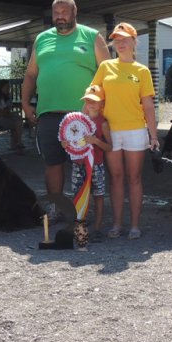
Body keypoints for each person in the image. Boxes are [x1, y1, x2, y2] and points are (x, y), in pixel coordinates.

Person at [21, 0, 110, 217]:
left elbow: (108, 74)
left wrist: (105, 109)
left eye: (64, 12)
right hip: (49, 113)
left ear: (74, 12)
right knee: (53, 163)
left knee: (84, 164)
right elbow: (31, 74)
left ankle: (84, 212)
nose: (60, 16)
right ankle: (57, 208)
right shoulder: (42, 39)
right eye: (56, 13)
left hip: (84, 115)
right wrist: (25, 103)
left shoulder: (91, 37)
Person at [90, 22, 158, 240]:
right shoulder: (105, 67)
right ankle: (117, 223)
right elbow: (92, 96)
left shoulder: (142, 71)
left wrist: (153, 135)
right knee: (116, 178)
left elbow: (148, 105)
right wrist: (80, 124)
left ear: (134, 41)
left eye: (124, 39)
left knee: (134, 178)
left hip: (136, 130)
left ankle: (135, 225)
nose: (120, 43)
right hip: (111, 131)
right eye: (116, 40)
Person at [62, 84, 112, 241]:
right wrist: (65, 143)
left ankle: (97, 229)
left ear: (102, 103)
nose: (90, 103)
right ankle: (79, 228)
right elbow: (68, 139)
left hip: (96, 165)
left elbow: (110, 147)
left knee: (98, 195)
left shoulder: (102, 123)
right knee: (77, 195)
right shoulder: (76, 121)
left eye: (94, 100)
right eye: (87, 100)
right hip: (78, 164)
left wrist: (96, 141)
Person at [0, 79, 25, 154]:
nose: (8, 89)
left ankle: (18, 143)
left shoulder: (8, 97)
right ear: (1, 87)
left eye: (9, 87)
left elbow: (8, 109)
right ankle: (18, 144)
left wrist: (4, 112)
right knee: (16, 124)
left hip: (6, 117)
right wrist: (4, 112)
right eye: (6, 87)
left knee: (18, 118)